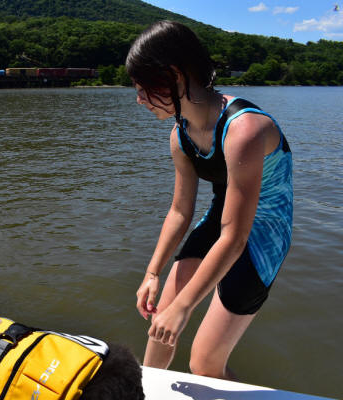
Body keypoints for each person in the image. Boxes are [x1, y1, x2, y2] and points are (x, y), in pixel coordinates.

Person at [126, 20, 293, 380]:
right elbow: (179, 211)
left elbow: (236, 237)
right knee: (159, 325)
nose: (138, 99)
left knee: (203, 363)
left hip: (263, 235)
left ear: (174, 75)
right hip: (223, 217)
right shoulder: (180, 135)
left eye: (143, 88)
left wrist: (185, 307)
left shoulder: (246, 129)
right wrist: (152, 273)